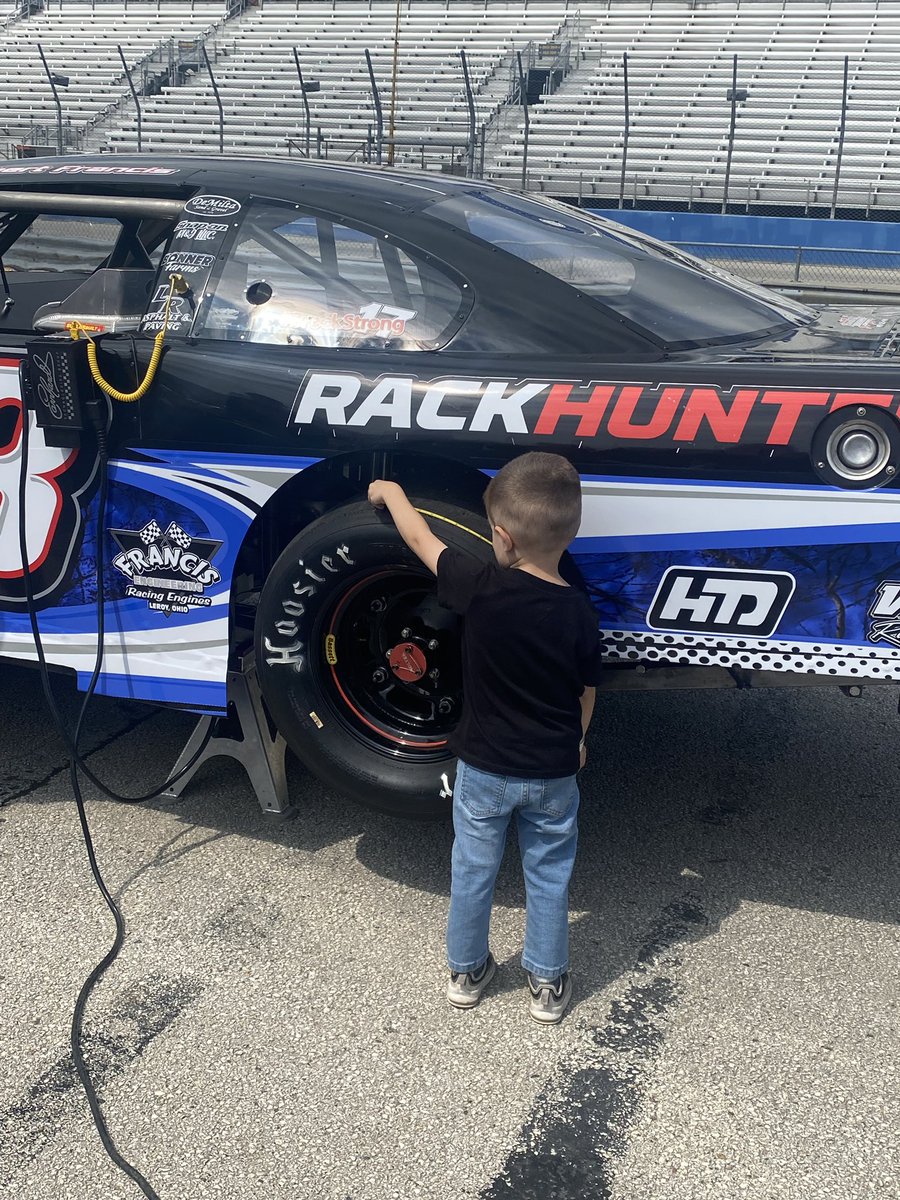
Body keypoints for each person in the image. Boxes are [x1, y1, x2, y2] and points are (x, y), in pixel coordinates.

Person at [368, 451, 601, 1024]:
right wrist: (578, 740)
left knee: (473, 868)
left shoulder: (479, 585)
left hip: (484, 770)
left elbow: (423, 541)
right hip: (552, 770)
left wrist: (391, 492)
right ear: (569, 534)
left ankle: (467, 972)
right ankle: (546, 983)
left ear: (501, 538)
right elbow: (586, 690)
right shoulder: (580, 612)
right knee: (548, 873)